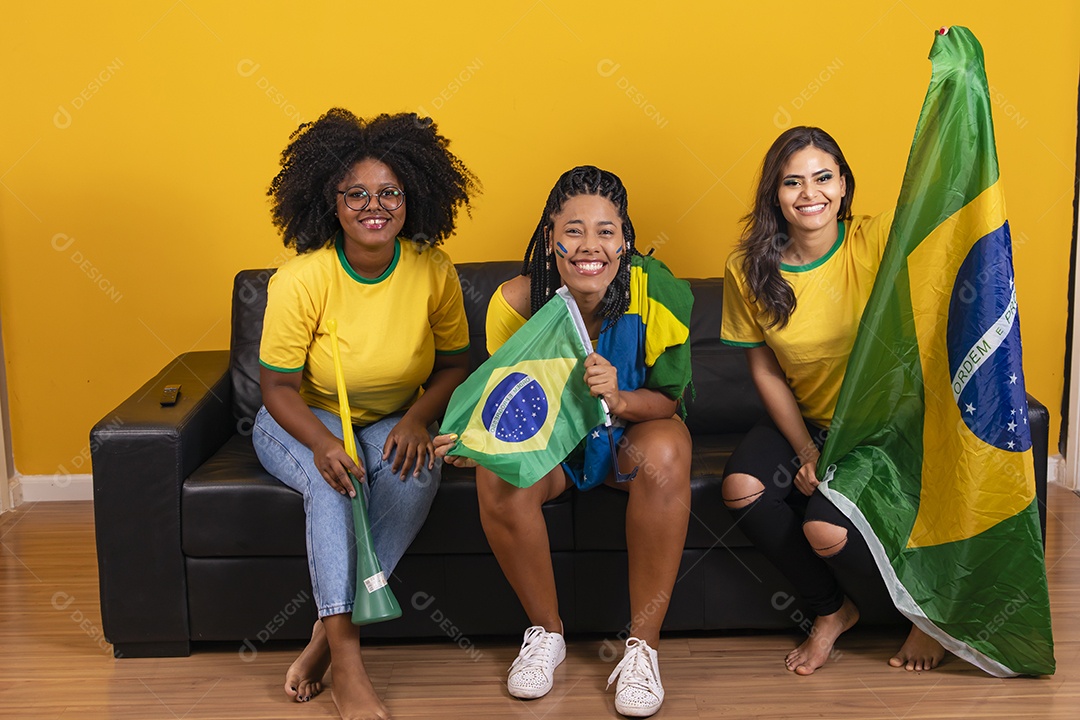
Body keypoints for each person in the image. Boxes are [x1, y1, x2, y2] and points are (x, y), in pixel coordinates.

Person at [437, 166, 693, 717]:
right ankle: (545, 634)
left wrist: (620, 399)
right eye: (573, 230)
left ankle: (642, 651)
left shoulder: (658, 291)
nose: (589, 246)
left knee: (669, 448)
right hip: (555, 447)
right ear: (550, 235)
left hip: (629, 438)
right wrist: (472, 443)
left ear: (625, 239)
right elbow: (506, 409)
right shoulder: (516, 302)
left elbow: (668, 401)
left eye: (606, 230)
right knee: (497, 474)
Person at [252, 108, 479, 719]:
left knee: (417, 472)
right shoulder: (301, 279)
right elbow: (275, 387)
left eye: (389, 193)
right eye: (356, 193)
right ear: (331, 200)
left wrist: (416, 421)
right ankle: (350, 667)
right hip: (301, 417)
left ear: (412, 198)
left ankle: (322, 638)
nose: (373, 205)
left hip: (391, 416)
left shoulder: (432, 269)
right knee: (336, 483)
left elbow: (456, 366)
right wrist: (325, 445)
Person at [720, 126, 945, 675]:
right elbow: (765, 367)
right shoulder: (748, 267)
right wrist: (803, 449)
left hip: (880, 427)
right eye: (791, 182)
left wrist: (956, 86)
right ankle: (831, 611)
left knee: (824, 529)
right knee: (741, 489)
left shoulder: (875, 240)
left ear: (844, 185)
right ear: (774, 194)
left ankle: (929, 615)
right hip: (811, 421)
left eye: (823, 178)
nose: (809, 193)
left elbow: (944, 194)